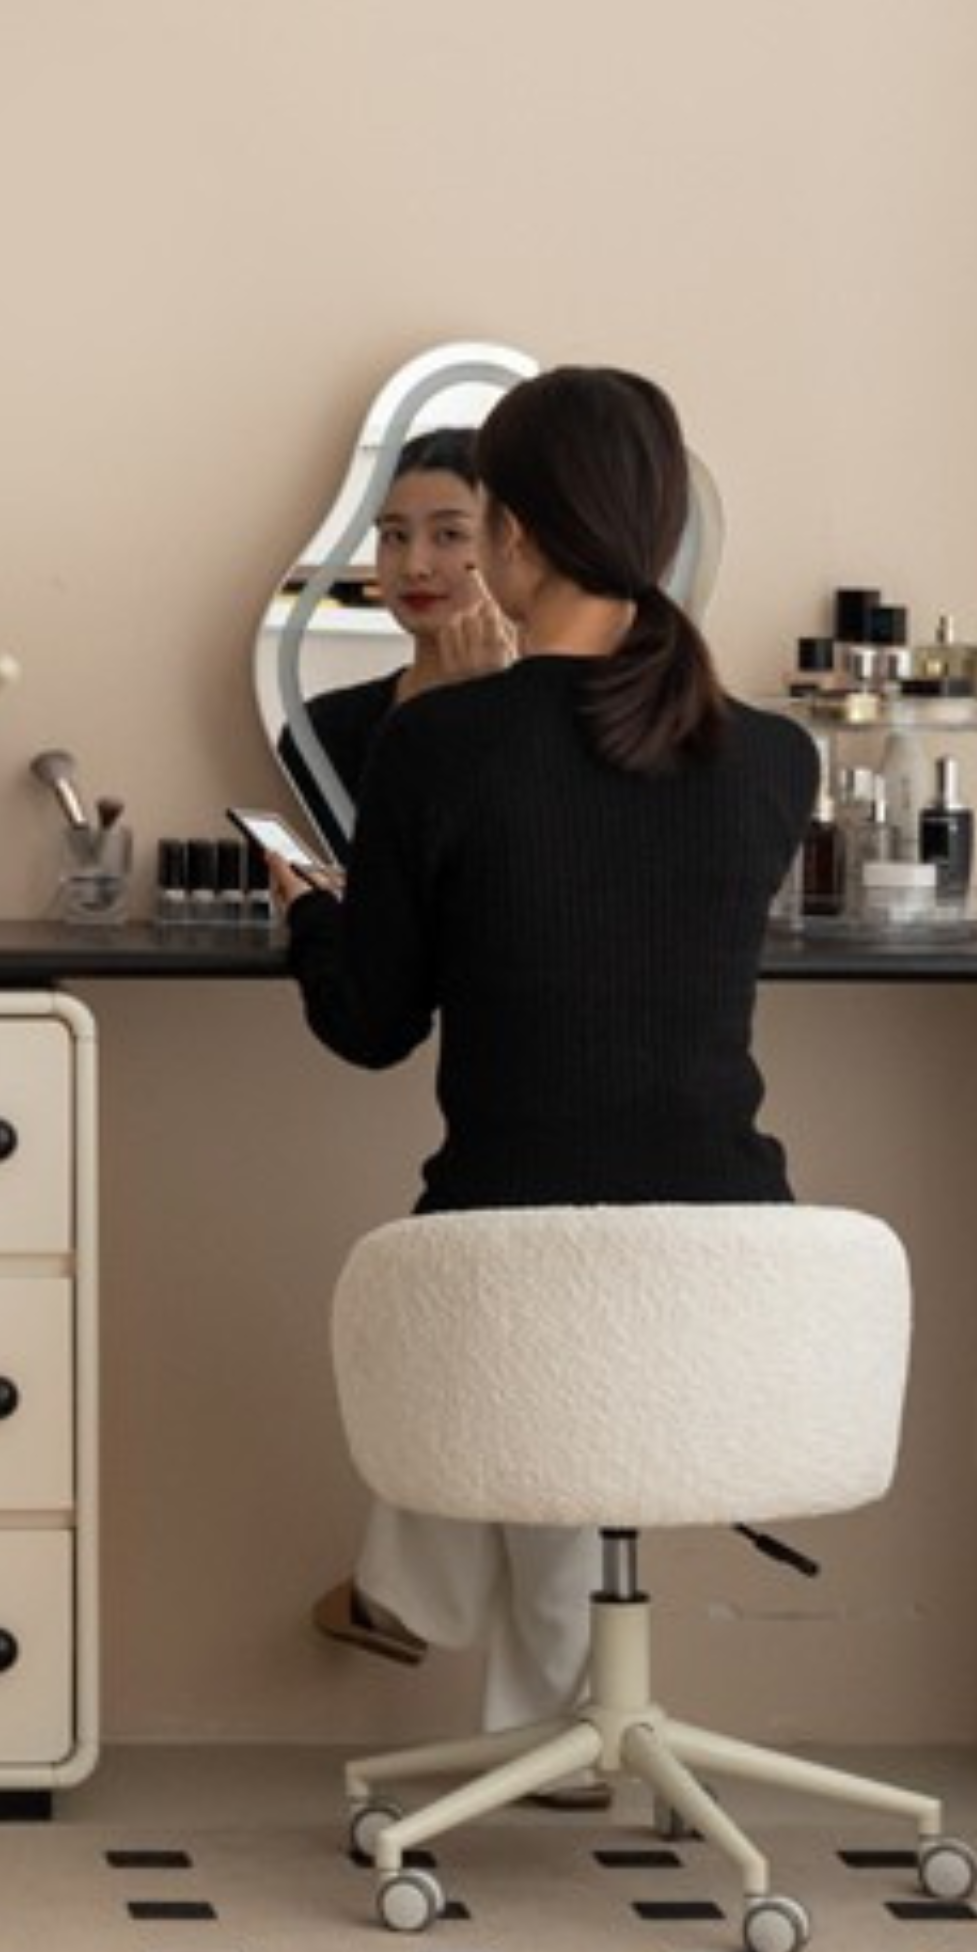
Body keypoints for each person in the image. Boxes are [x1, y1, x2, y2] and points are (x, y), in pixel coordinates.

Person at [263, 366, 818, 1771]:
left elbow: (367, 1023)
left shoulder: (439, 740)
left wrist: (306, 915)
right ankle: (540, 1700)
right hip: (734, 1261)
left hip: (505, 1257)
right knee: (567, 1249)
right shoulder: (773, 754)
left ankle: (422, 1597)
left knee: (505, 1259)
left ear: (506, 535)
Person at [276, 426, 511, 858]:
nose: (414, 565)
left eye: (449, 535)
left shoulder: (549, 726)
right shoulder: (321, 732)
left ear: (509, 544)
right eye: (394, 536)